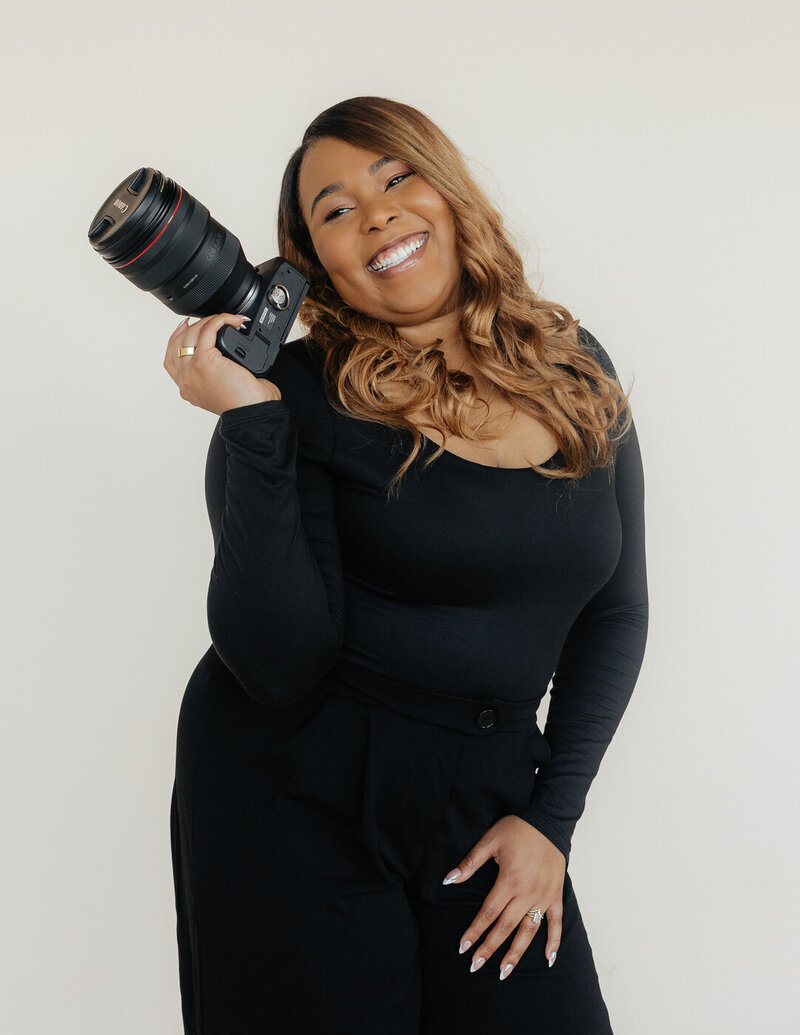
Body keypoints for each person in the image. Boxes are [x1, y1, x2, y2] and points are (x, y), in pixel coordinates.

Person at [164, 96, 649, 1035]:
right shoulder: (292, 396)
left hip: (484, 790)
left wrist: (553, 819)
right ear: (315, 265)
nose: (376, 213)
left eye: (396, 177)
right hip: (291, 791)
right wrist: (252, 427)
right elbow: (274, 660)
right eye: (335, 210)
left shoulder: (574, 363)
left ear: (450, 191)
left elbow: (615, 610)